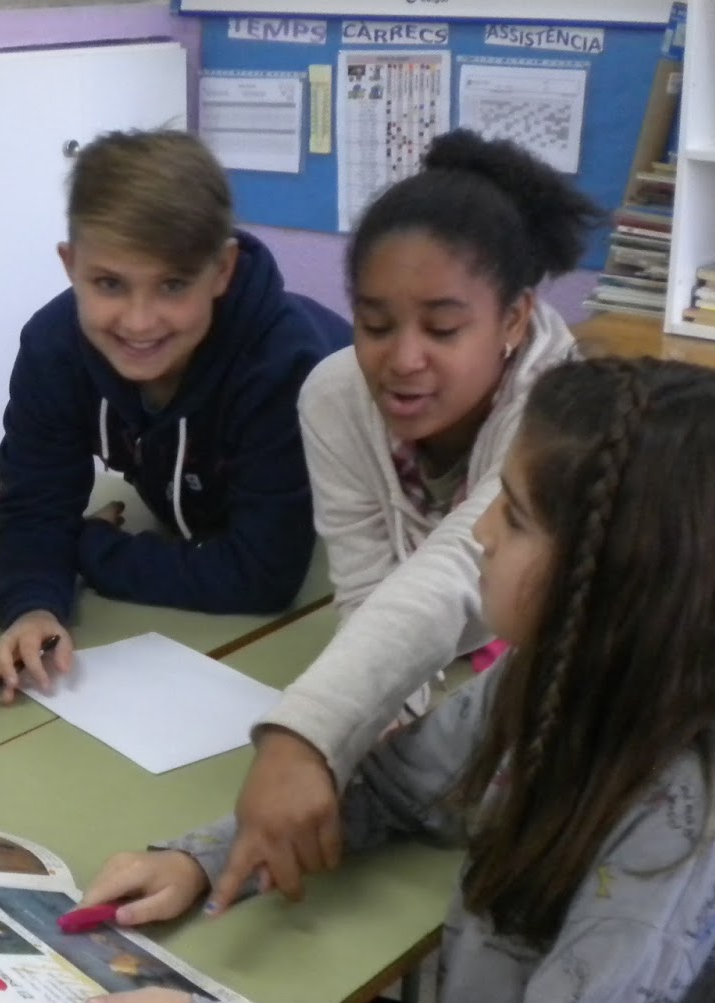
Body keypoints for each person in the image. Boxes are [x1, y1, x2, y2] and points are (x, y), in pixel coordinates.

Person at [74, 357, 715, 1003]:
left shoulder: (687, 825)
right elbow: (397, 787)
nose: (482, 534)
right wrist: (204, 858)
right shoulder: (552, 678)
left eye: (516, 514)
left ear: (619, 575)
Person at [215, 129, 604, 908]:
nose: (403, 359)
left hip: (564, 693)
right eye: (375, 324)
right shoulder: (335, 398)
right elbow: (366, 584)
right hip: (444, 677)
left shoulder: (561, 413)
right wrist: (379, 725)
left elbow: (459, 564)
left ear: (515, 319)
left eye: (443, 328)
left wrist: (306, 735)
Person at [0, 129, 350, 700]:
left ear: (222, 269)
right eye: (109, 283)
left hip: (359, 546)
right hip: (208, 532)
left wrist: (88, 549)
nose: (138, 321)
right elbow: (34, 508)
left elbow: (263, 574)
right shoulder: (53, 348)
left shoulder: (283, 363)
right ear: (71, 265)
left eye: (173, 285)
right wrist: (33, 606)